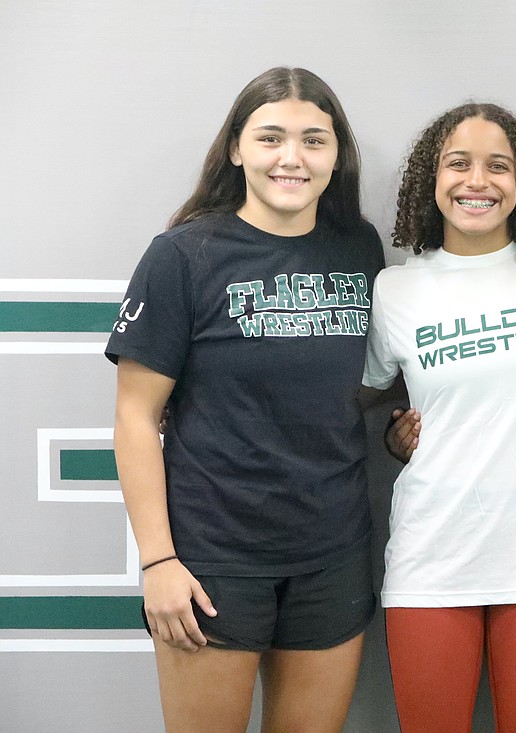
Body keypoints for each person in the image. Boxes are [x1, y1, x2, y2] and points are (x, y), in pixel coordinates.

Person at [107, 67, 384, 733]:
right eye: (271, 138)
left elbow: (355, 383)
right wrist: (158, 561)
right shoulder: (183, 256)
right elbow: (135, 417)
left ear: (337, 154)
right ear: (235, 148)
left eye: (314, 140)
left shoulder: (360, 248)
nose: (292, 157)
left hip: (333, 553)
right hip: (212, 558)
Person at [360, 102, 516, 733]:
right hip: (432, 560)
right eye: (457, 163)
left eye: (498, 166)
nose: (477, 181)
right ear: (429, 180)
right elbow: (368, 393)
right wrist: (394, 433)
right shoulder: (396, 291)